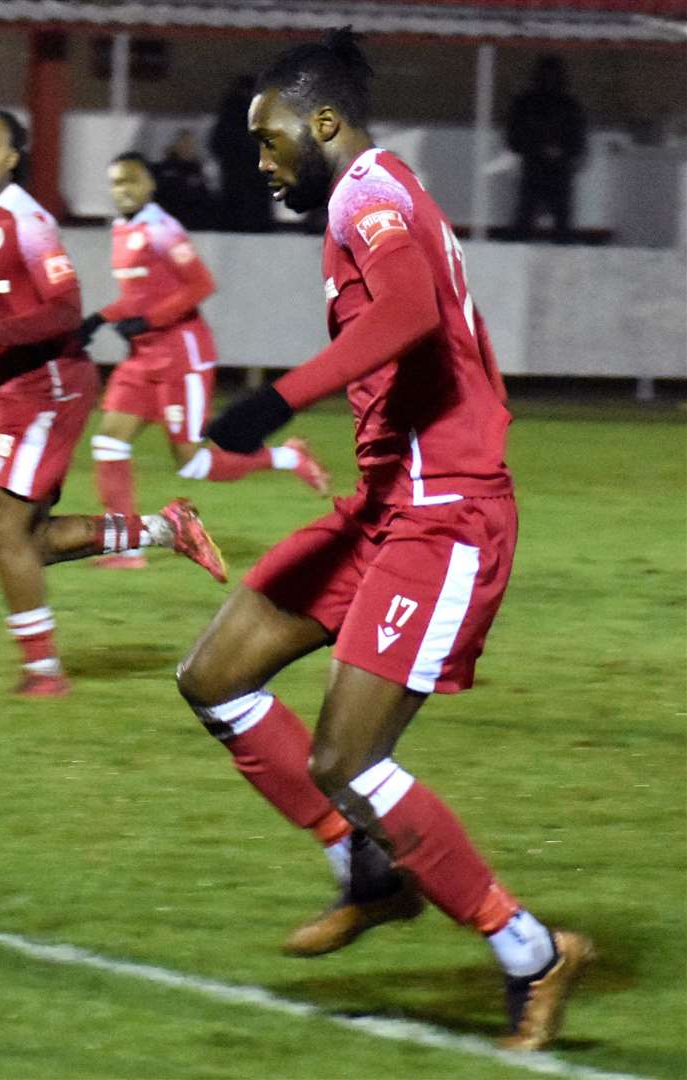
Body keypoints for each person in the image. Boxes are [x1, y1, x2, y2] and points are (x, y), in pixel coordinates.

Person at [178, 29, 593, 1051]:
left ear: (321, 122)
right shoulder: (367, 197)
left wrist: (273, 401)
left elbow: (406, 311)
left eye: (269, 142)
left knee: (345, 758)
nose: (260, 162)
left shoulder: (368, 194)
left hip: (444, 514)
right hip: (380, 506)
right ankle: (366, 873)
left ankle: (530, 951)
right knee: (215, 677)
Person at [0, 109, 229, 698]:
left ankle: (43, 674)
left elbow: (64, 311)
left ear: (14, 157)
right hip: (16, 386)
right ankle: (167, 530)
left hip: (51, 384)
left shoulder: (28, 220)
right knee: (28, 540)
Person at [80, 153, 328, 570]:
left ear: (149, 186)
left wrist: (148, 319)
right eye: (116, 183)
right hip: (143, 356)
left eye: (131, 181)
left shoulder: (163, 229)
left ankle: (288, 457)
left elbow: (200, 284)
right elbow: (139, 297)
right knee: (108, 441)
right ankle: (127, 550)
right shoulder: (123, 229)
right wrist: (100, 318)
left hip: (182, 356)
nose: (122, 190)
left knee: (193, 463)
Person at [507, 55, 587, 243]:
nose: (549, 80)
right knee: (525, 219)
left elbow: (577, 140)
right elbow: (514, 138)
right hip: (534, 169)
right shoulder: (525, 104)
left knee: (561, 223)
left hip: (558, 171)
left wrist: (560, 152)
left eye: (552, 75)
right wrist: (539, 149)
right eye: (545, 75)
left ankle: (564, 261)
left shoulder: (568, 106)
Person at [208, 75, 274, 233]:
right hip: (252, 182)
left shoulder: (228, 116)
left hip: (235, 183)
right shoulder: (261, 118)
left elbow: (217, 145)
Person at [149, 129, 215, 231]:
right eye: (184, 143)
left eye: (190, 144)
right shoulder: (162, 169)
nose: (187, 147)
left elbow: (205, 198)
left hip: (194, 226)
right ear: (175, 145)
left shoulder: (198, 171)